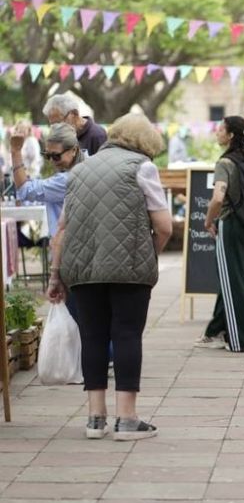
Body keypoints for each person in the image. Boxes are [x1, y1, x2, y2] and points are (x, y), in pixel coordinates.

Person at [47, 113, 172, 441]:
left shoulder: (80, 171)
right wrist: (150, 254)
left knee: (93, 337)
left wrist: (55, 276)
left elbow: (61, 229)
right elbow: (164, 226)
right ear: (146, 143)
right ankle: (127, 420)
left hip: (82, 268)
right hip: (128, 269)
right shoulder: (141, 167)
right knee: (127, 335)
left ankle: (95, 419)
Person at [197, 116, 244, 354]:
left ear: (231, 135)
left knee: (232, 282)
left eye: (220, 129)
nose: (217, 132)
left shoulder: (226, 162)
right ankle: (216, 331)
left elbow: (218, 197)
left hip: (232, 224)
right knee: (238, 279)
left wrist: (207, 220)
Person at [9, 122, 83, 235]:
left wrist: (16, 152)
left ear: (74, 150)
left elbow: (25, 190)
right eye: (48, 156)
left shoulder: (66, 180)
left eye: (56, 156)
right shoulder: (89, 163)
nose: (52, 161)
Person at [42, 94, 107, 157]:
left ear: (75, 114)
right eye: (53, 125)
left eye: (59, 123)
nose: (56, 129)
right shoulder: (62, 135)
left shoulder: (97, 135)